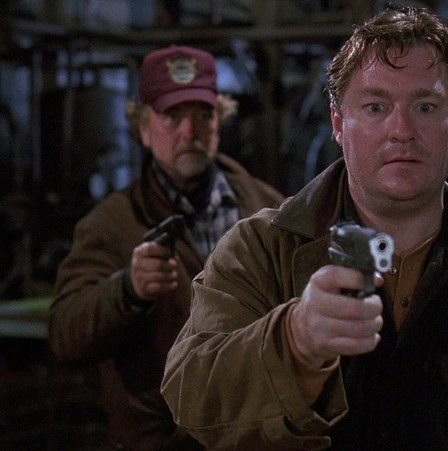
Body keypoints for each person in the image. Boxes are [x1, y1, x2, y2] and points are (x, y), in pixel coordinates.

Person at [162, 6, 448, 450]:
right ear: (338, 123)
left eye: (425, 107)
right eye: (375, 107)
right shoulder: (260, 250)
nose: (401, 130)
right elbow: (191, 397)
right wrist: (296, 341)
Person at [49, 45, 285, 450]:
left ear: (219, 121)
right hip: (162, 440)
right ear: (143, 129)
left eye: (203, 115)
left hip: (257, 434)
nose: (189, 132)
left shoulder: (269, 209)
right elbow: (65, 335)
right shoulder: (113, 223)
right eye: (172, 116)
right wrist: (127, 289)